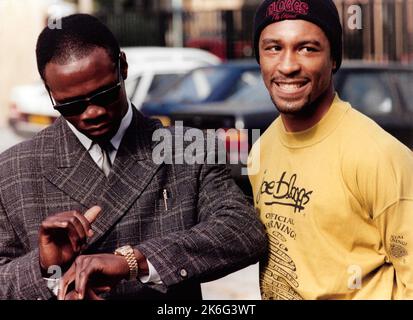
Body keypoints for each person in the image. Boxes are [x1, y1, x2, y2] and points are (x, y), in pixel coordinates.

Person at [0, 14, 267, 300]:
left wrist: (135, 261)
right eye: (72, 105)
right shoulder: (13, 170)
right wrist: (46, 267)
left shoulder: (189, 148)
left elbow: (242, 231)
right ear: (49, 91)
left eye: (105, 94)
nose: (93, 112)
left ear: (123, 67)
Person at [248, 0, 413, 299]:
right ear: (258, 58)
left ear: (334, 59)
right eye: (273, 48)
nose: (287, 65)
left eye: (307, 48)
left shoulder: (379, 155)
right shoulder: (261, 149)